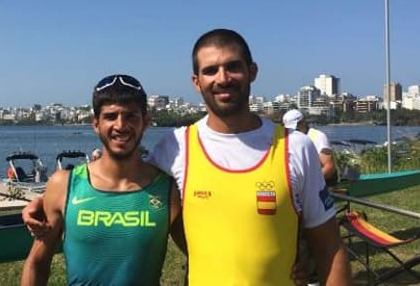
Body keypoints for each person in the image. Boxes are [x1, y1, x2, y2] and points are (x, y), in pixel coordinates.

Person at [23, 29, 351, 285]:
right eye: (211, 70)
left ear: (252, 71)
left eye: (233, 67)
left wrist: (298, 251)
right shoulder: (175, 147)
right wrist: (46, 199)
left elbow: (330, 248)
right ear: (197, 82)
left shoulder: (296, 147)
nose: (222, 78)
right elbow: (123, 177)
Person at [20, 74, 183, 285]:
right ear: (96, 124)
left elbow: (200, 258)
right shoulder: (64, 184)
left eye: (131, 116)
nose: (121, 125)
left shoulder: (167, 190)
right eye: (111, 116)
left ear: (146, 122)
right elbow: (37, 263)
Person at [283, 109, 338, 186]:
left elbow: (329, 167)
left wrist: (309, 184)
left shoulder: (318, 136)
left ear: (303, 122)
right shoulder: (289, 139)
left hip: (320, 184)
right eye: (290, 129)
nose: (293, 130)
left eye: (296, 127)